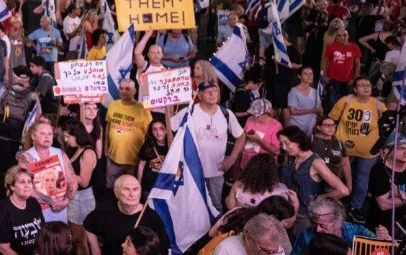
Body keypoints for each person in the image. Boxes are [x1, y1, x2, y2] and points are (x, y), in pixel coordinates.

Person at [83, 175, 168, 255]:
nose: (132, 194)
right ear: (116, 192)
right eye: (126, 189)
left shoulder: (152, 218)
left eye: (135, 189)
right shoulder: (105, 211)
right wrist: (95, 251)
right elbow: (88, 224)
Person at [170, 81, 245, 210]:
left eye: (214, 91)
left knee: (216, 206)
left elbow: (241, 136)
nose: (212, 94)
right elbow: (169, 128)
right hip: (191, 171)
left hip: (216, 171)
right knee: (192, 206)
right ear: (199, 95)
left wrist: (233, 157)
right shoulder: (189, 111)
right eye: (207, 91)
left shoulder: (226, 114)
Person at [328, 76, 385, 218]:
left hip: (368, 151)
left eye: (368, 85)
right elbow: (331, 120)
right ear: (354, 88)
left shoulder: (378, 105)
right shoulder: (345, 100)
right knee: (336, 175)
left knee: (362, 179)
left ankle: (355, 207)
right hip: (343, 148)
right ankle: (332, 203)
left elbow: (387, 128)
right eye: (361, 85)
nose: (366, 87)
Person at [279, 126, 350, 233]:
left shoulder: (315, 162)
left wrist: (320, 198)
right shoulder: (290, 157)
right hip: (288, 210)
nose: (284, 148)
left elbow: (343, 190)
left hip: (304, 216)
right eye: (281, 144)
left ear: (298, 141)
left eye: (287, 143)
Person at [0, 166, 43, 255]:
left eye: (29, 182)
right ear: (12, 186)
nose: (27, 185)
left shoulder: (33, 203)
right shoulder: (3, 209)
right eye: (22, 182)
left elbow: (42, 234)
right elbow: (4, 248)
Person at [103, 79, 152, 188]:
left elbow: (149, 134)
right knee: (112, 189)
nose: (123, 91)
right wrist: (106, 146)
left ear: (135, 91)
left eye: (127, 89)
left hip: (133, 160)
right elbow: (108, 125)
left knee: (129, 189)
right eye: (121, 88)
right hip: (113, 157)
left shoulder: (143, 109)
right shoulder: (113, 105)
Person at [0, 66, 38, 168]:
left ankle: (6, 177)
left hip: (3, 134)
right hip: (22, 137)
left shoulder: (3, 91)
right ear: (28, 80)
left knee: (5, 165)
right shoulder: (32, 96)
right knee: (20, 165)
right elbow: (37, 118)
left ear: (14, 77)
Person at [225, 153, 298, 211]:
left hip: (243, 222)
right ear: (273, 172)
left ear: (250, 169)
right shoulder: (282, 190)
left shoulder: (238, 185)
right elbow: (285, 215)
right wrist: (295, 204)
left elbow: (231, 207)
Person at [287, 67, 321, 135]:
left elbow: (319, 109)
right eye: (305, 74)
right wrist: (312, 111)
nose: (309, 76)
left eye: (311, 74)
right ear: (300, 76)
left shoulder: (315, 91)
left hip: (311, 126)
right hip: (297, 126)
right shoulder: (294, 91)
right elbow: (292, 111)